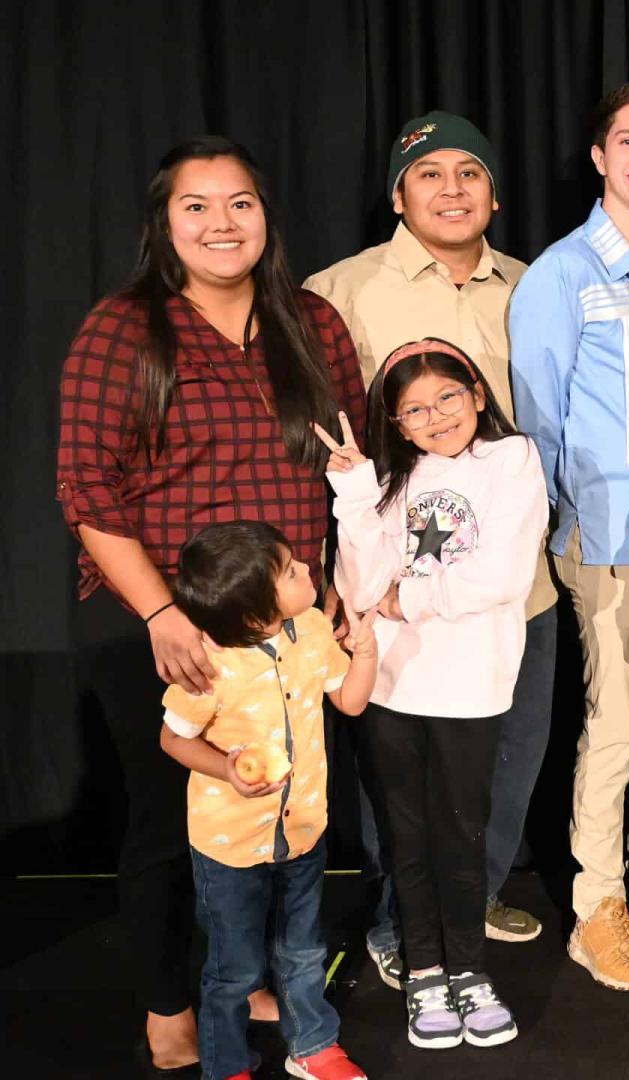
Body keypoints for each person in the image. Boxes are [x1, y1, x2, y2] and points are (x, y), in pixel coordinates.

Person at [54, 135, 365, 1075]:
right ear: (165, 224)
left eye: (240, 204)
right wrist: (162, 614)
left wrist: (338, 592)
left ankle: (246, 978)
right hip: (159, 619)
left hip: (285, 620)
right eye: (197, 206)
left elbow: (351, 467)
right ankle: (168, 1003)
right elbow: (84, 488)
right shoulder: (124, 328)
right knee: (169, 821)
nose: (221, 223)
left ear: (266, 219)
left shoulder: (311, 323)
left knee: (272, 811)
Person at [304, 108, 558, 983]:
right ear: (396, 194)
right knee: (399, 779)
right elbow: (320, 445)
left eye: (470, 173)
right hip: (395, 589)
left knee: (505, 759)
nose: (452, 189)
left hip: (513, 584)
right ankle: (399, 923)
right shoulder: (338, 292)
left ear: (493, 191)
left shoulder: (536, 285)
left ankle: (469, 899)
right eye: (429, 173)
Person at [510, 79, 629, 991]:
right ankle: (597, 904)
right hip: (609, 538)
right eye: (628, 141)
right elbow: (539, 422)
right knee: (617, 721)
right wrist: (563, 530)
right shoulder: (560, 275)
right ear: (598, 156)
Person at [325, 338, 546, 1050]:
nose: (436, 416)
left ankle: (471, 973)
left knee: (462, 835)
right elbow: (360, 588)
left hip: (471, 686)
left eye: (448, 398)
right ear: (395, 422)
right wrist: (356, 493)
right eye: (414, 409)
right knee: (406, 838)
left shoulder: (511, 462)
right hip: (393, 686)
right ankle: (424, 971)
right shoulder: (390, 479)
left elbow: (501, 576)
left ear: (478, 394)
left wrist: (407, 596)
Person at [158, 522, 378, 1080]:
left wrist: (368, 652)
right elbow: (173, 737)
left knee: (303, 951)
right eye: (289, 571)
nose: (305, 568)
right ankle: (226, 1064)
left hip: (302, 830)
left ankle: (313, 1047)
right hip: (230, 845)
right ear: (254, 614)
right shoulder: (208, 664)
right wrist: (226, 769)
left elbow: (349, 702)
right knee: (234, 968)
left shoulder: (309, 629)